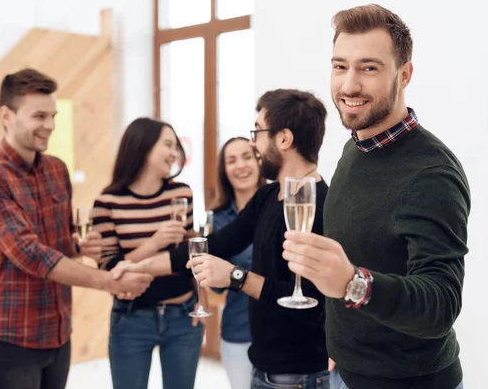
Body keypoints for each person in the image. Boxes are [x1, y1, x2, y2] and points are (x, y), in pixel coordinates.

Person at [282, 4, 470, 389]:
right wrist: (341, 343)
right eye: (340, 66)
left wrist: (353, 283)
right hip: (346, 373)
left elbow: (441, 304)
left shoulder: (431, 173)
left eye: (368, 68)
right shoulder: (357, 147)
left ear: (404, 74)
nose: (349, 85)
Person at [113, 89, 331, 389]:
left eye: (257, 132)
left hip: (299, 375)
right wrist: (139, 267)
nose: (253, 143)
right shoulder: (268, 196)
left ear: (283, 139)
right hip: (263, 366)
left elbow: (308, 298)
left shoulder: (321, 206)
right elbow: (214, 245)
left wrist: (235, 277)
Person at [0, 68, 153, 389]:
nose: (49, 125)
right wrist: (107, 281)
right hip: (11, 339)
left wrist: (79, 247)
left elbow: (57, 244)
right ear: (6, 115)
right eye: (39, 116)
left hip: (57, 332)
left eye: (53, 115)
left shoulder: (56, 170)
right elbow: (31, 255)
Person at [90, 117, 204, 389]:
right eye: (168, 144)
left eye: (176, 146)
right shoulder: (107, 203)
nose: (174, 153)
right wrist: (152, 244)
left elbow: (192, 255)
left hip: (183, 316)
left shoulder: (181, 194)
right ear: (142, 146)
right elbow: (110, 272)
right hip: (131, 319)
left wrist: (203, 302)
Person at [209, 137, 266, 389]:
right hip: (238, 333)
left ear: (259, 161)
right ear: (224, 171)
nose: (240, 165)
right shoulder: (218, 220)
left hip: (282, 332)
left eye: (247, 156)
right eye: (231, 160)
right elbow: (216, 288)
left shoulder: (280, 208)